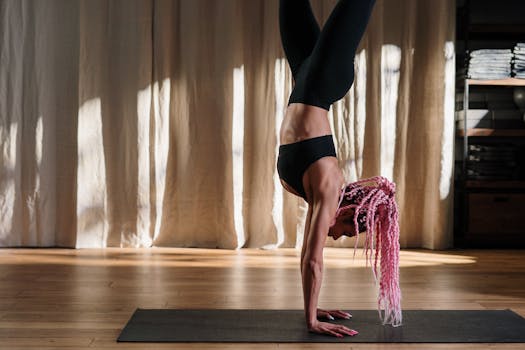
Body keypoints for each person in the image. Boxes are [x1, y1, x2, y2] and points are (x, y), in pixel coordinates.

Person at [277, 0, 376, 338]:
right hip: (324, 80)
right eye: (347, 230)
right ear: (349, 210)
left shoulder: (320, 196)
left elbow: (307, 254)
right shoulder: (330, 190)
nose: (338, 236)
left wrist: (313, 307)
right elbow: (314, 260)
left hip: (305, 78)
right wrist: (311, 322)